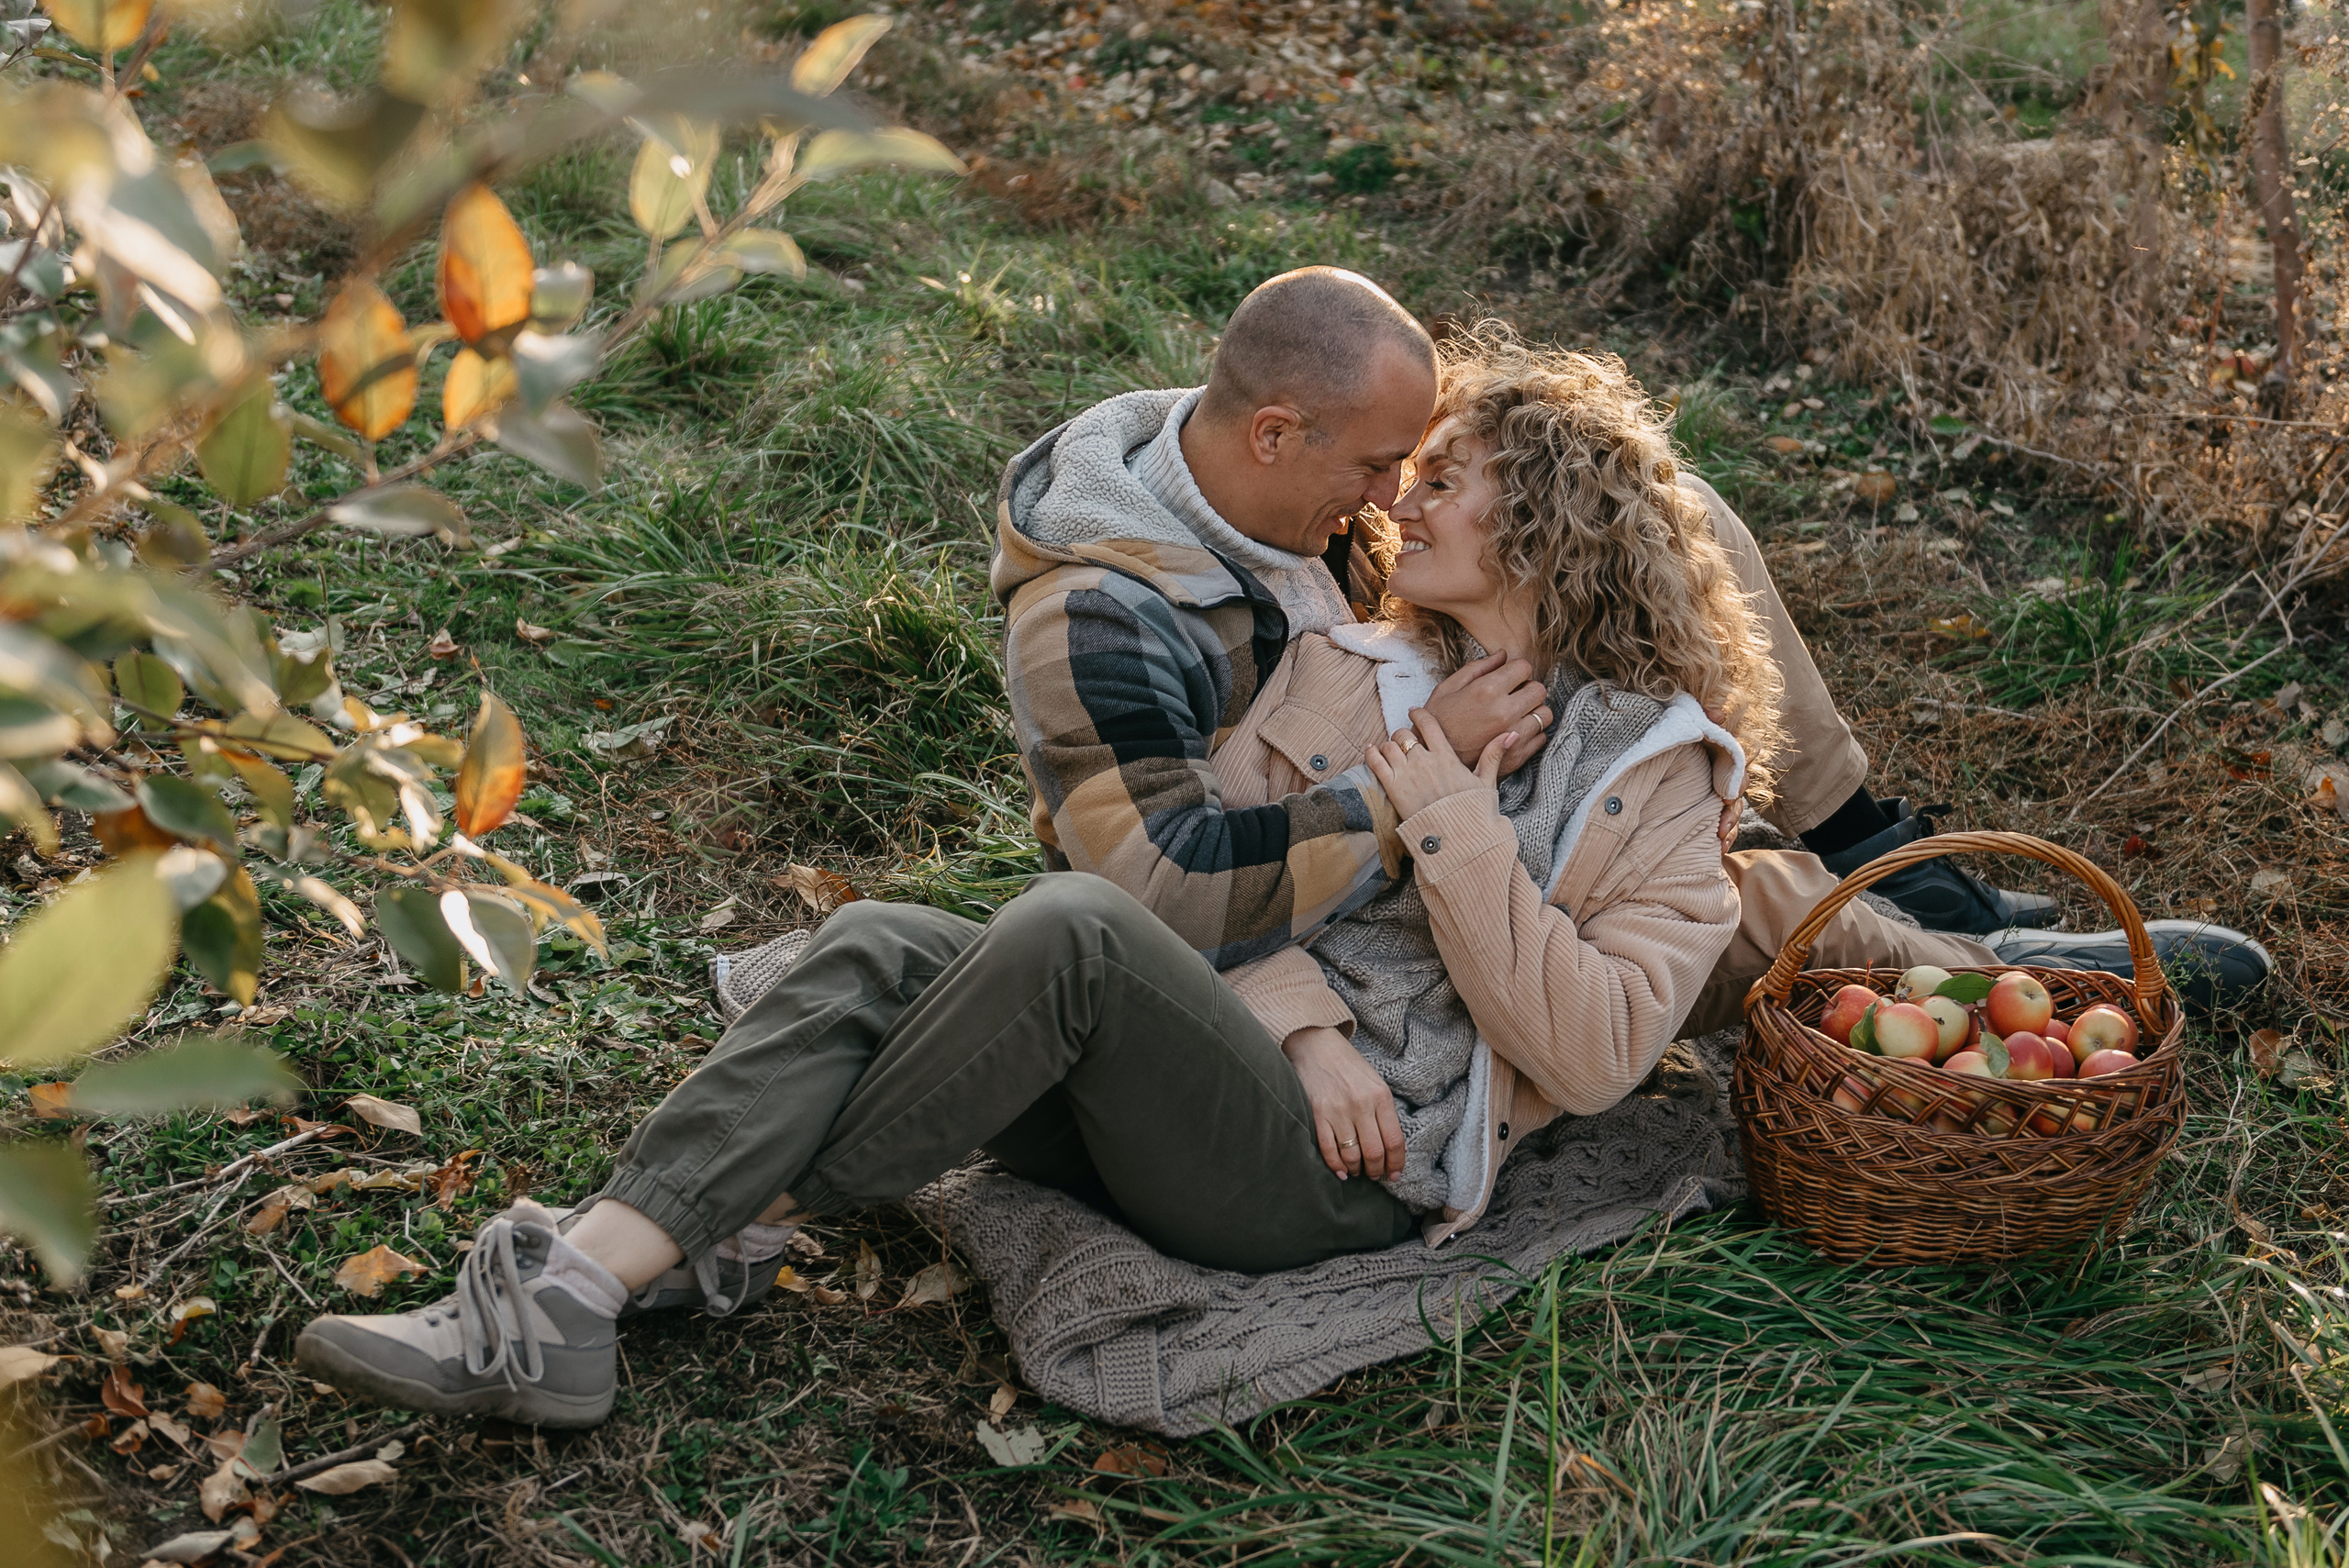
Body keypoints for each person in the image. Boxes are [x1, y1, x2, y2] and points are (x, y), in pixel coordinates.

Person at [294, 276, 2268, 1429]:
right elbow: (1213, 857)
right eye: (1387, 480)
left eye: (1442, 492)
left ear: (1545, 546)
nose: (1394, 513)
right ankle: (582, 1288)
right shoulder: (1347, 650)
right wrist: (1312, 990)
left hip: (1353, 1181)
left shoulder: (1649, 765)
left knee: (1050, 933)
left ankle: (697, 1236)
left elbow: (1584, 1062)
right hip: (1276, 1091)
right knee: (903, 937)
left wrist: (1432, 813)